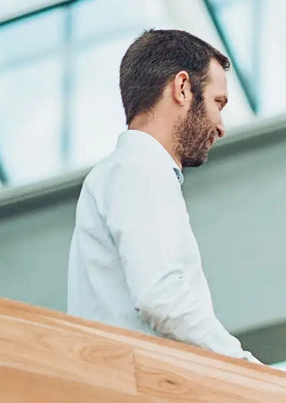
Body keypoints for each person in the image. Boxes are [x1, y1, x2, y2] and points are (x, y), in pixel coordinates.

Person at [67, 29, 256, 361]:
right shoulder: (141, 169)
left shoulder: (123, 172)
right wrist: (249, 369)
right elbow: (162, 297)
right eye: (217, 103)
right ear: (182, 88)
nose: (221, 126)